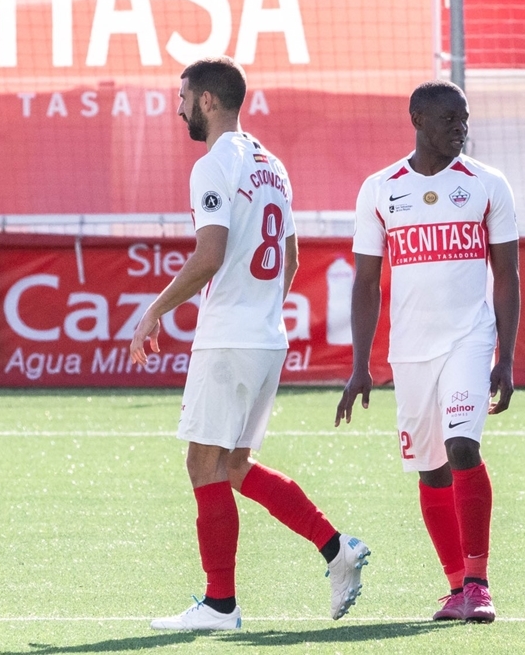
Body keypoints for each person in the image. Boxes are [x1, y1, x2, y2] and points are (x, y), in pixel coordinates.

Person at [131, 56, 370, 631]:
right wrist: (261, 309)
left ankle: (219, 606)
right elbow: (288, 259)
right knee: (234, 464)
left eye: (184, 96)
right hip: (266, 336)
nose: (179, 106)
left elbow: (209, 255)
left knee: (202, 462)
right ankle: (338, 551)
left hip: (231, 338)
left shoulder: (214, 164)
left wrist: (154, 311)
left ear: (208, 101)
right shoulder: (273, 164)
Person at [335, 80, 520, 623]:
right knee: (431, 470)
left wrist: (505, 357)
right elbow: (366, 283)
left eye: (465, 118)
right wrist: (359, 366)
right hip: (410, 351)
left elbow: (506, 276)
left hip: (471, 337)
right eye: (449, 119)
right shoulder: (379, 188)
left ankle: (480, 584)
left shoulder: (488, 184)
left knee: (463, 445)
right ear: (417, 118)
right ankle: (456, 585)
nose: (461, 128)